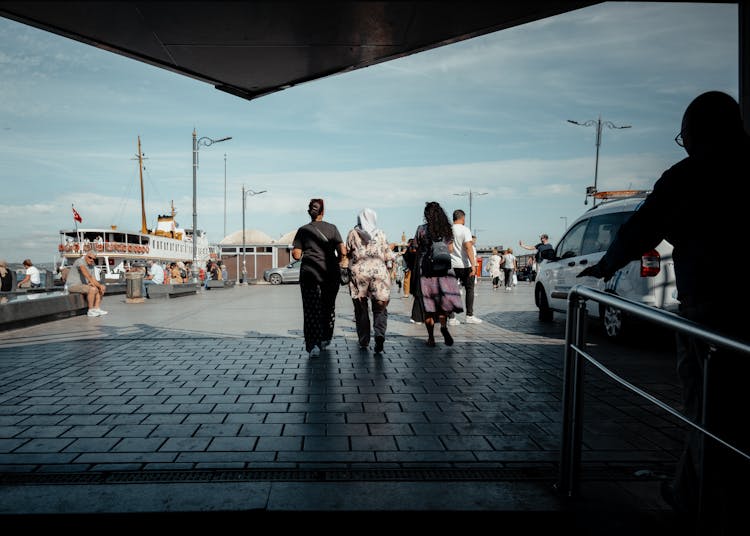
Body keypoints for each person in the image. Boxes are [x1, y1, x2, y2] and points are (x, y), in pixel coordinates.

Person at [577, 91, 749, 530]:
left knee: (709, 408)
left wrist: (606, 266)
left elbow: (640, 229)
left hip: (712, 312)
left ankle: (703, 498)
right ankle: (693, 490)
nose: (684, 143)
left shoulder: (690, 176)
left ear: (695, 133)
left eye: (684, 135)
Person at [292, 198, 347, 358]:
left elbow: (297, 254)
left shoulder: (303, 230)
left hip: (310, 273)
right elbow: (343, 251)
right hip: (330, 273)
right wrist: (335, 260)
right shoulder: (333, 228)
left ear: (309, 212)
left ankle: (313, 344)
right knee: (328, 307)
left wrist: (300, 251)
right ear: (323, 212)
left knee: (311, 309)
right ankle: (325, 338)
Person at [412, 201, 464, 347]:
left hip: (426, 272)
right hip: (444, 271)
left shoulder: (421, 230)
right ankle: (443, 327)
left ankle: (431, 338)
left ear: (426, 215)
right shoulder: (447, 230)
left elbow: (415, 247)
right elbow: (451, 249)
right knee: (442, 305)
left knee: (429, 306)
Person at [345, 208, 395, 353]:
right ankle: (379, 334)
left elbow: (347, 252)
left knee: (361, 309)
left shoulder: (353, 233)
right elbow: (388, 256)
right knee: (380, 307)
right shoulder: (380, 233)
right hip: (379, 274)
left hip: (359, 274)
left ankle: (364, 340)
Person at [447, 209, 482, 325]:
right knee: (469, 289)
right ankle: (469, 316)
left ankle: (451, 318)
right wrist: (473, 264)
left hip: (451, 264)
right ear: (462, 218)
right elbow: (468, 247)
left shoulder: (448, 230)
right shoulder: (465, 230)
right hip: (464, 265)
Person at [65, 250, 107, 316]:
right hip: (73, 285)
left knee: (101, 287)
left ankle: (97, 308)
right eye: (90, 257)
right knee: (93, 289)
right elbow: (85, 273)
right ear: (86, 256)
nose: (91, 260)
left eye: (94, 259)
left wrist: (100, 286)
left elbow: (93, 279)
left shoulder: (91, 266)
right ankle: (90, 310)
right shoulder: (80, 261)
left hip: (83, 285)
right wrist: (93, 285)